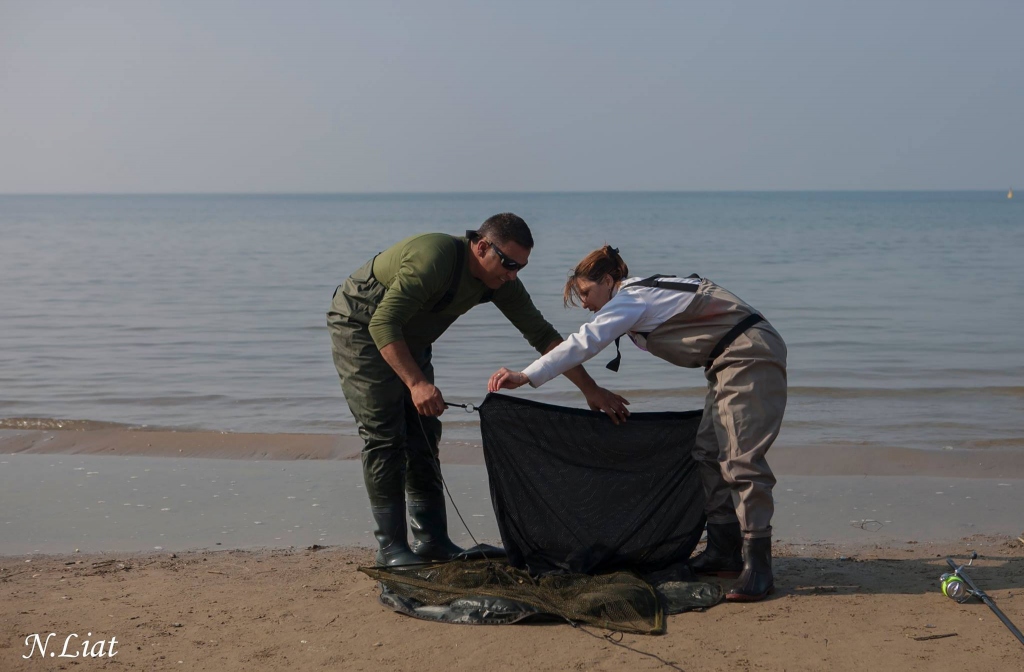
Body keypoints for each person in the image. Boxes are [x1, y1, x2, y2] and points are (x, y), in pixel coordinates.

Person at [488, 245, 787, 601]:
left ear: (609, 281)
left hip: (749, 354)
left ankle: (759, 568)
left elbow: (585, 341)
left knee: (740, 460)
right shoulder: (638, 294)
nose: (585, 304)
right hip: (728, 362)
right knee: (707, 451)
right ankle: (724, 551)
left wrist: (526, 376)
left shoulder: (631, 299)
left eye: (585, 293)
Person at [328, 214, 628, 567]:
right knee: (384, 434)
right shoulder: (435, 258)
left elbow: (543, 336)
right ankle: (391, 548)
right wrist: (417, 383)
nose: (514, 274)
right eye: (509, 263)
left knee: (424, 432)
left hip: (411, 335)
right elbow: (382, 322)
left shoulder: (499, 281)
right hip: (362, 326)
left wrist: (590, 389)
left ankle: (432, 541)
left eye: (521, 267)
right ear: (482, 246)